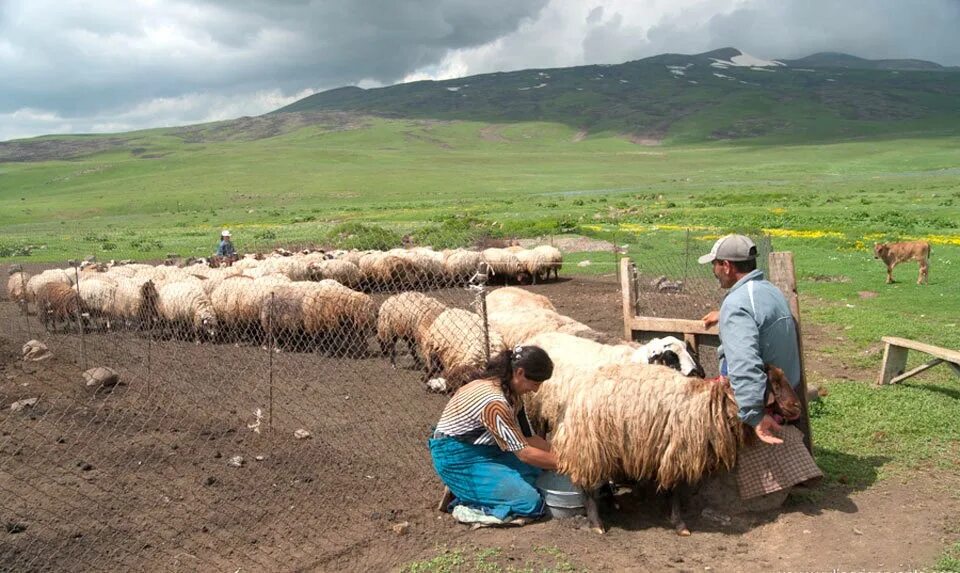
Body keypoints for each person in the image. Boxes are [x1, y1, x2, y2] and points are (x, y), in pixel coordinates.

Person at [429, 345, 557, 526]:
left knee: (539, 474)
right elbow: (525, 453)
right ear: (520, 373)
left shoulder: (511, 394)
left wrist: (562, 455)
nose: (535, 390)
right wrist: (567, 465)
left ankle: (470, 489)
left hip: (485, 449)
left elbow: (530, 438)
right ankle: (467, 505)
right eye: (535, 383)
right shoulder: (495, 403)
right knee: (529, 502)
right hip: (456, 455)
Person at [698, 234, 801, 446]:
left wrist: (754, 416)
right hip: (784, 393)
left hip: (761, 403)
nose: (713, 271)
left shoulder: (738, 304)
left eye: (715, 264)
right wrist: (724, 312)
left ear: (726, 266)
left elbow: (744, 363)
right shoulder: (771, 291)